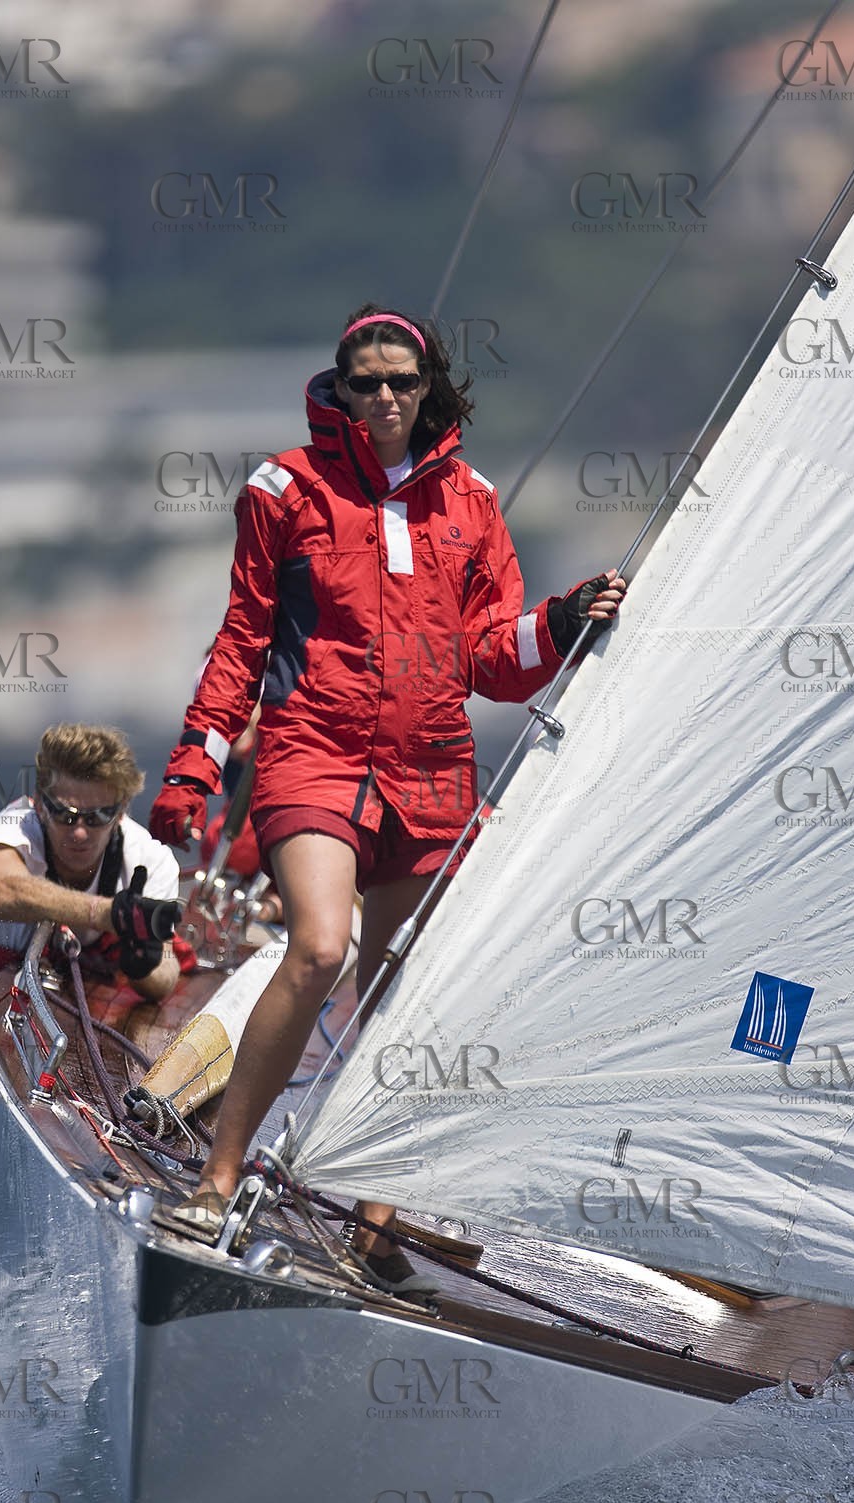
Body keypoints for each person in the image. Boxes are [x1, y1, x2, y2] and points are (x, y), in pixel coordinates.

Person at [149, 304, 625, 1289]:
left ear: (429, 389)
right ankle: (217, 1176)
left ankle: (373, 1219)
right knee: (320, 944)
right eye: (362, 381)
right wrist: (195, 763)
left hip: (431, 767)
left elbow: (493, 659)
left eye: (399, 382)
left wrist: (564, 617)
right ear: (339, 387)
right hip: (312, 750)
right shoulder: (284, 488)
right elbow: (241, 642)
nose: (380, 397)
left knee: (399, 994)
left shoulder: (473, 502)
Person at [0, 723, 183, 1277]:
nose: (79, 832)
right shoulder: (13, 830)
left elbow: (166, 978)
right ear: (39, 802)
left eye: (99, 817)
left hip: (68, 952)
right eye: (64, 813)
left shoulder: (149, 862)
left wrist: (139, 949)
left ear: (123, 808)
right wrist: (110, 915)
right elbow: (3, 891)